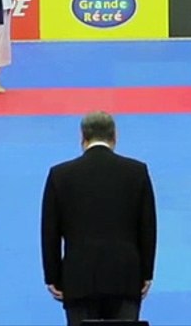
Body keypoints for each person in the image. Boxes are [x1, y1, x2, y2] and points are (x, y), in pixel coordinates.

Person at [41, 111, 157, 326]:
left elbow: (50, 232)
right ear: (115, 136)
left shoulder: (60, 174)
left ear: (82, 137)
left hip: (78, 278)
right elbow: (148, 228)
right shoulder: (137, 172)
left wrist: (53, 277)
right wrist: (146, 273)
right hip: (125, 276)